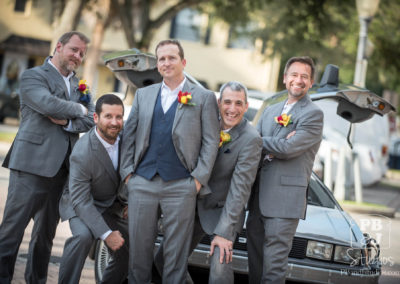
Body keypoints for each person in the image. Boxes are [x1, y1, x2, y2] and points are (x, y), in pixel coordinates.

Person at [120, 39, 220, 283]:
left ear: (183, 62)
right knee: (138, 256)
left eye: (171, 58)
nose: (166, 63)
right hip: (142, 181)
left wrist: (197, 179)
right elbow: (129, 135)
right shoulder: (144, 95)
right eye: (161, 59)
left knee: (175, 258)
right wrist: (128, 174)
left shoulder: (204, 97)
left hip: (181, 185)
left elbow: (210, 141)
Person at [0, 31, 94, 284]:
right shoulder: (33, 76)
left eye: (82, 53)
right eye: (74, 49)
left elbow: (90, 120)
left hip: (63, 170)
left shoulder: (80, 85)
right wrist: (79, 109)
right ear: (59, 46)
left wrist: (67, 121)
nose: (78, 56)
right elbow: (46, 103)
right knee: (12, 232)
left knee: (45, 237)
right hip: (31, 165)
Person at [155, 81, 262, 284]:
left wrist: (224, 233)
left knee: (219, 269)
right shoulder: (204, 122)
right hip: (192, 205)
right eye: (228, 102)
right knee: (164, 260)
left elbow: (240, 190)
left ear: (246, 106)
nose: (232, 109)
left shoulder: (251, 139)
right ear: (219, 103)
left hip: (223, 212)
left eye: (239, 103)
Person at [246, 56, 324, 283]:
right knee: (255, 265)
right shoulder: (270, 110)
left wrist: (262, 141)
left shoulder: (313, 114)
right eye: (294, 74)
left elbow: (289, 148)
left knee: (274, 268)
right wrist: (270, 145)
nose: (298, 80)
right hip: (257, 198)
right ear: (285, 78)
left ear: (311, 83)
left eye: (304, 76)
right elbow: (253, 146)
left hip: (284, 202)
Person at [58, 94, 128, 283]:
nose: (114, 122)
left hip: (112, 203)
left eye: (119, 117)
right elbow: (80, 200)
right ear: (96, 118)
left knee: (129, 247)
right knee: (83, 237)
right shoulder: (83, 151)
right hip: (80, 201)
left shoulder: (127, 136)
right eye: (108, 116)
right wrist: (106, 234)